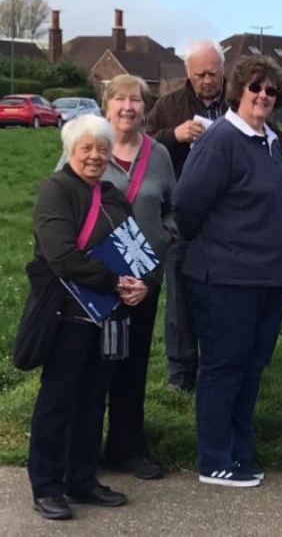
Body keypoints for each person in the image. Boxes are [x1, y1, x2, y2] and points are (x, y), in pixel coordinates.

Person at [173, 55, 282, 487]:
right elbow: (187, 204)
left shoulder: (270, 141)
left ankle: (240, 449)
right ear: (239, 91)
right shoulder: (222, 139)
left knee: (251, 366)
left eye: (270, 90)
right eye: (255, 88)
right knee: (224, 366)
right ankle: (214, 458)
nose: (263, 95)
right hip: (226, 277)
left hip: (268, 276)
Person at [28, 115, 159, 520]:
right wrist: (116, 282)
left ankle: (81, 479)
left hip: (108, 317)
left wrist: (144, 283)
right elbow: (62, 256)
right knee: (58, 399)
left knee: (92, 399)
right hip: (67, 314)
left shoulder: (113, 196)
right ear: (70, 151)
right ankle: (47, 485)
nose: (95, 156)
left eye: (102, 149)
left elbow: (138, 248)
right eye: (86, 148)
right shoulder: (56, 190)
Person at [57, 75, 176, 480]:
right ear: (105, 106)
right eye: (120, 99)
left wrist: (164, 240)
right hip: (91, 283)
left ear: (146, 108)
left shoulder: (158, 154)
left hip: (142, 284)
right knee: (90, 368)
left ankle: (126, 447)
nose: (129, 107)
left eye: (137, 100)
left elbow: (171, 209)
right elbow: (61, 197)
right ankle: (80, 455)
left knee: (132, 365)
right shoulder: (88, 145)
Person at [146, 40, 228, 393]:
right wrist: (173, 135)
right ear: (188, 74)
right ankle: (181, 374)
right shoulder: (169, 104)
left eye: (213, 73)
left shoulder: (239, 102)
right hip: (181, 214)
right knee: (179, 300)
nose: (207, 80)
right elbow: (143, 141)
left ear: (223, 71)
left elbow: (273, 138)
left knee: (221, 298)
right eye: (199, 74)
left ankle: (218, 365)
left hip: (227, 217)